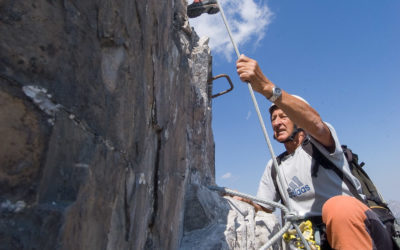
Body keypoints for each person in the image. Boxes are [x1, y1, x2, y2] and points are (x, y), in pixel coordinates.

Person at [234, 54, 393, 249]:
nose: (276, 122)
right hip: (310, 241)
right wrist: (241, 201)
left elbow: (315, 123)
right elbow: (266, 207)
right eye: (273, 118)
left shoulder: (320, 145)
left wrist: (268, 88)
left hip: (359, 230)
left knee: (339, 207)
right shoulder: (275, 166)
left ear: (298, 121)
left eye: (283, 115)